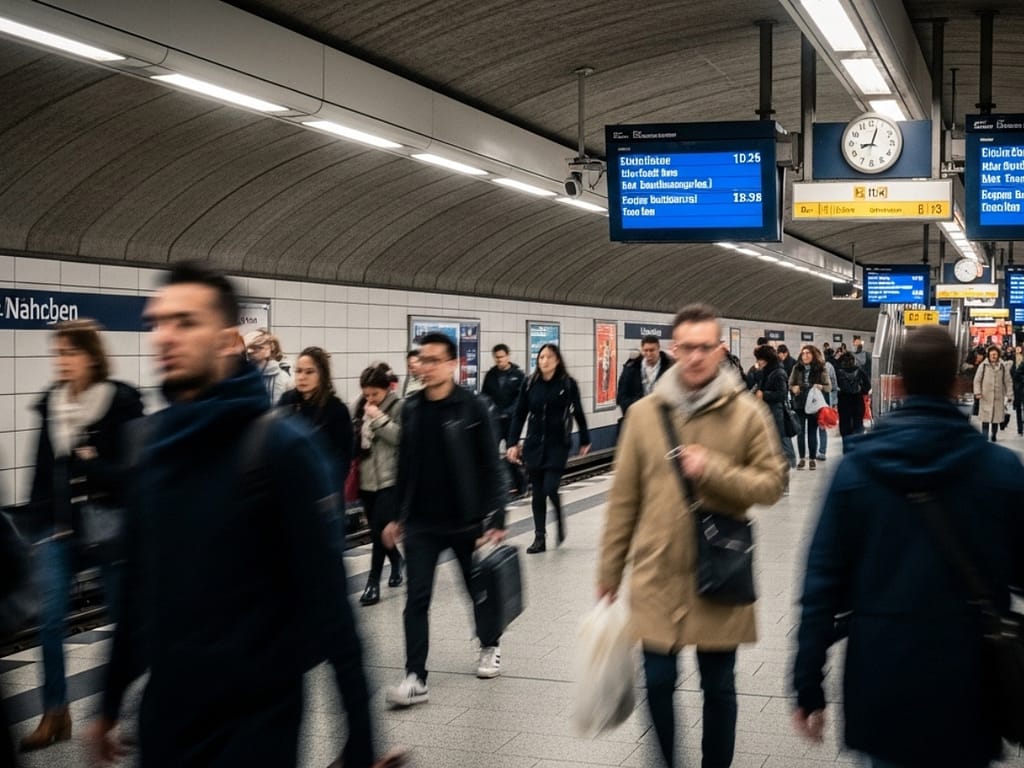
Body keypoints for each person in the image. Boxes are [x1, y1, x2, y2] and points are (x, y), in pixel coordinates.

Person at [87, 263, 401, 768]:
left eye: (186, 322)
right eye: (159, 323)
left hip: (256, 723)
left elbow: (331, 610)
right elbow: (140, 589)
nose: (166, 336)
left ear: (228, 339)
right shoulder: (149, 446)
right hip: (166, 719)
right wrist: (107, 702)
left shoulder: (280, 448)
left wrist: (360, 741)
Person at [792, 326, 1024, 768]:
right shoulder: (1001, 471)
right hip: (970, 682)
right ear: (958, 385)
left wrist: (808, 685)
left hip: (882, 676)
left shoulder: (855, 471)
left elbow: (821, 586)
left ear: (896, 385)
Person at [598, 303, 786, 768]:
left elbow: (772, 484)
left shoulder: (746, 413)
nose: (697, 357)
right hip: (657, 572)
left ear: (721, 350)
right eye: (688, 347)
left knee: (718, 687)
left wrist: (714, 470)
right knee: (658, 682)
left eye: (707, 347)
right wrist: (609, 570)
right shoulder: (644, 415)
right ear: (674, 350)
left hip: (719, 572)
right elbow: (624, 498)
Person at [20, 320, 143, 753]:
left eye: (69, 353)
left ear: (91, 356)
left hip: (109, 529)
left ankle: (121, 713)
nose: (62, 362)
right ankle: (55, 713)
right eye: (58, 353)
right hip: (60, 533)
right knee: (51, 621)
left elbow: (133, 475)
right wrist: (38, 528)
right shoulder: (52, 405)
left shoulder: (120, 403)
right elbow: (39, 473)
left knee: (123, 622)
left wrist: (89, 463)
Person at [382, 331, 507, 706]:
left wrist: (496, 516)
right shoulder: (413, 408)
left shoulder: (473, 407)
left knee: (477, 592)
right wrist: (395, 515)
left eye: (434, 360)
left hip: (465, 521)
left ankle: (490, 645)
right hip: (422, 523)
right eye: (422, 359)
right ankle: (415, 676)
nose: (425, 366)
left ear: (454, 364)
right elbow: (404, 465)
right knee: (416, 599)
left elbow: (491, 464)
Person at [507, 343, 591, 553]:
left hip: (557, 444)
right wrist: (512, 443)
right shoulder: (530, 383)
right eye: (541, 357)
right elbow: (519, 414)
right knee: (537, 492)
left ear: (557, 360)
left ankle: (560, 516)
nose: (543, 361)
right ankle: (539, 538)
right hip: (534, 444)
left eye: (548, 357)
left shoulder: (567, 384)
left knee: (550, 487)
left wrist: (584, 439)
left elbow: (578, 412)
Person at [276, 345, 353, 539]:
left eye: (309, 372)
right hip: (289, 494)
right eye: (298, 371)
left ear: (322, 374)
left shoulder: (336, 410)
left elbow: (343, 458)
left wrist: (329, 491)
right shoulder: (287, 402)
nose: (302, 377)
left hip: (324, 499)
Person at [352, 362, 404, 606]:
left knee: (378, 531)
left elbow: (401, 438)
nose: (370, 399)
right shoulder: (359, 406)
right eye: (366, 394)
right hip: (366, 481)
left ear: (387, 390)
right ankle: (396, 561)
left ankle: (372, 582)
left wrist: (379, 419)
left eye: (375, 394)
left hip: (389, 480)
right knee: (379, 531)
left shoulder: (399, 407)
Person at [752, 344, 796, 473]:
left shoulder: (779, 373)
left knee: (780, 444)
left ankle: (785, 471)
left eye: (759, 359)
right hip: (766, 412)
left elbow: (782, 394)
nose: (758, 362)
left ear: (767, 359)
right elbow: (757, 386)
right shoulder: (766, 371)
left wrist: (764, 395)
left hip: (777, 414)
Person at [789, 345, 831, 470]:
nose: (805, 356)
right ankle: (802, 458)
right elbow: (790, 383)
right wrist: (793, 388)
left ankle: (812, 459)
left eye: (808, 353)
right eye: (803, 353)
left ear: (813, 354)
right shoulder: (797, 368)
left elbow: (829, 386)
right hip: (800, 403)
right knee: (800, 432)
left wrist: (821, 387)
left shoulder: (820, 368)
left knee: (812, 432)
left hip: (813, 404)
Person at [617, 335, 672, 416]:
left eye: (652, 350)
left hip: (662, 418)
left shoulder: (669, 367)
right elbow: (622, 396)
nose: (648, 354)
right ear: (642, 350)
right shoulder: (631, 368)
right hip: (637, 416)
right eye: (646, 350)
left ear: (658, 349)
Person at [481, 344, 526, 443]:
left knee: (511, 450)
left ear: (508, 356)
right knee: (491, 448)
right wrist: (490, 410)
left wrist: (508, 412)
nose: (499, 360)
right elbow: (484, 395)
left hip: (511, 421)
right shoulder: (490, 375)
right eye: (497, 357)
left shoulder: (518, 375)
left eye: (501, 357)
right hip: (494, 420)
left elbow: (521, 398)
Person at [973, 345, 1012, 442]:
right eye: (992, 354)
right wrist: (977, 392)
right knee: (985, 419)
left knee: (996, 419)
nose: (994, 356)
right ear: (988, 355)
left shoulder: (1002, 366)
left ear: (998, 355)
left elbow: (1008, 381)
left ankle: (994, 435)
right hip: (986, 396)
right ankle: (984, 437)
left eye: (995, 354)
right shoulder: (983, 365)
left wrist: (1010, 394)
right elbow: (977, 380)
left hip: (998, 397)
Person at [835, 351, 872, 449]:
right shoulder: (860, 371)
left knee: (845, 428)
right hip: (857, 401)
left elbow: (835, 387)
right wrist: (862, 390)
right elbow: (868, 386)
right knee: (858, 426)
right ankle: (857, 450)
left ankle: (846, 450)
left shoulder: (839, 373)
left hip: (843, 402)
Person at [245, 329, 292, 404]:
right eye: (250, 348)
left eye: (258, 347)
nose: (251, 351)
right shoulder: (246, 376)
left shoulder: (283, 377)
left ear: (271, 347)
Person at [816, 355, 838, 461]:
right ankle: (821, 451)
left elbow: (833, 385)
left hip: (817, 400)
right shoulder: (829, 366)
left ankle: (819, 451)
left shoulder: (810, 367)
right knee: (821, 426)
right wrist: (834, 401)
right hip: (824, 399)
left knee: (817, 427)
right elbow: (834, 385)